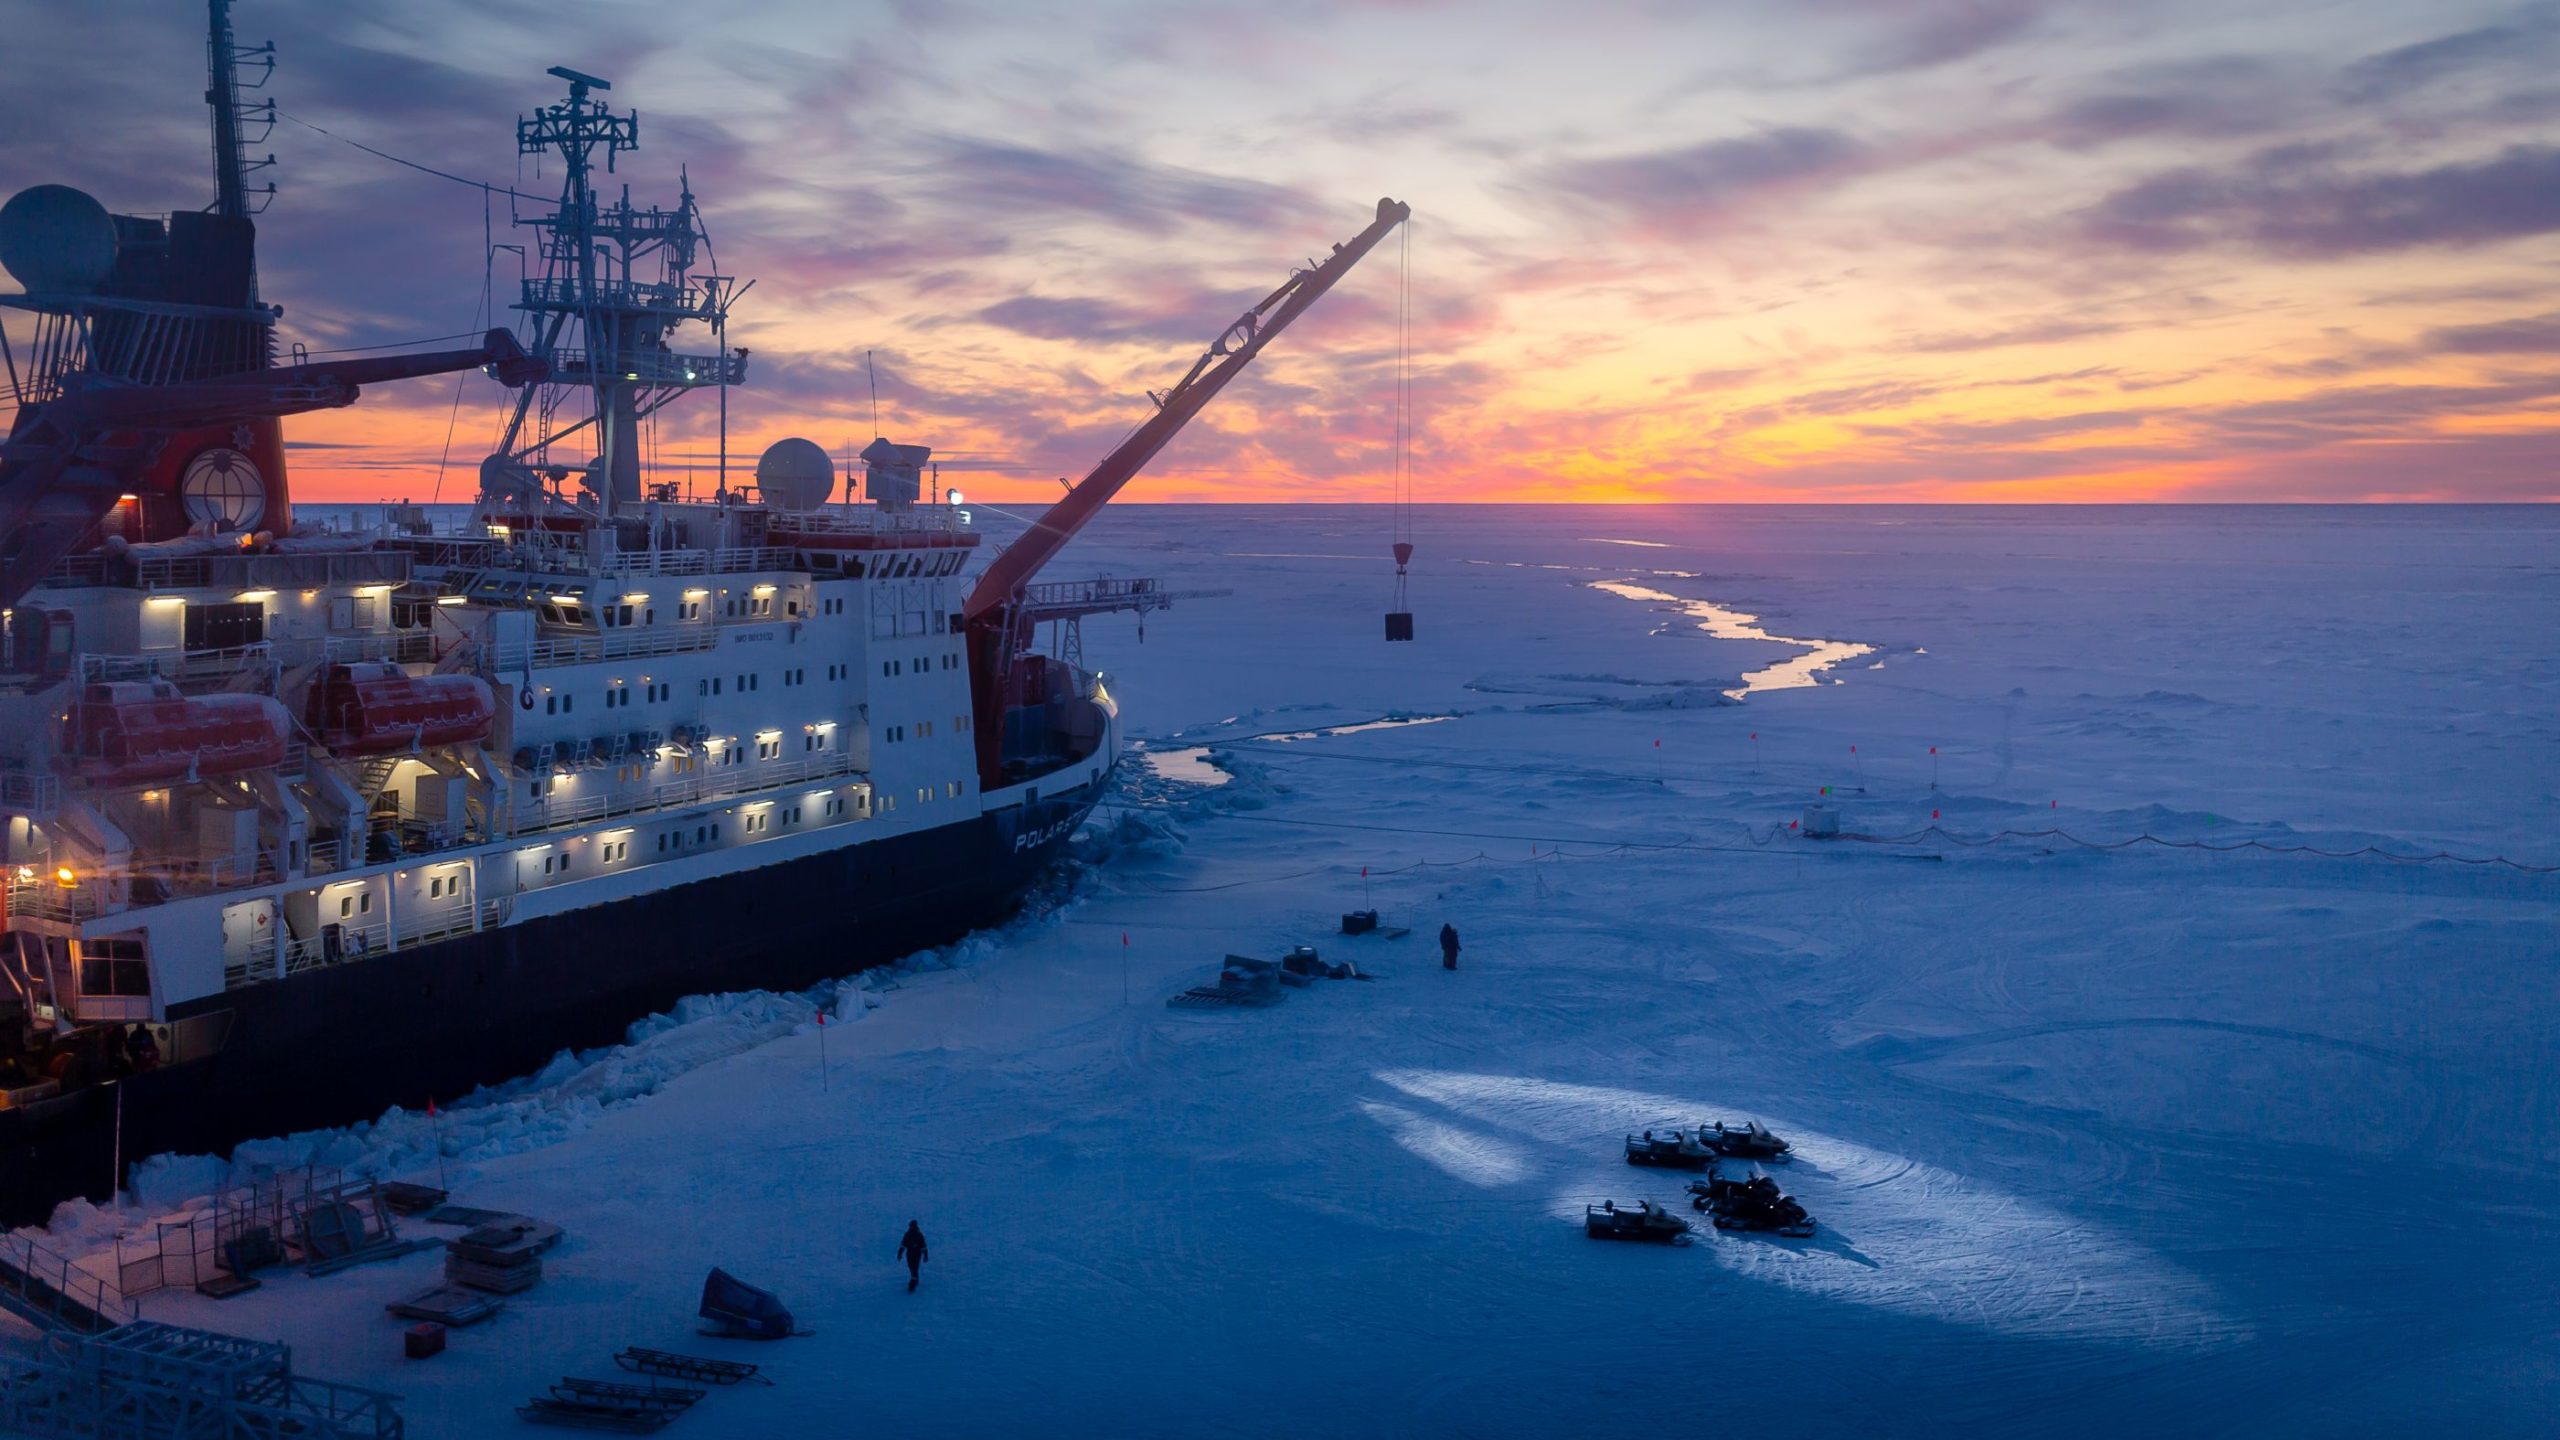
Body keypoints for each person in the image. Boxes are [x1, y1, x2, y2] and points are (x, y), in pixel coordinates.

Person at [896, 1220, 928, 1293]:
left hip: (914, 1254)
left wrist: (900, 1253)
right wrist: (925, 1255)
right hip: (914, 1254)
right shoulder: (913, 1234)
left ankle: (913, 1281)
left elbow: (923, 1245)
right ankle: (915, 1279)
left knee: (913, 1267)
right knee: (913, 1267)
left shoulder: (915, 1234)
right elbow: (903, 1244)